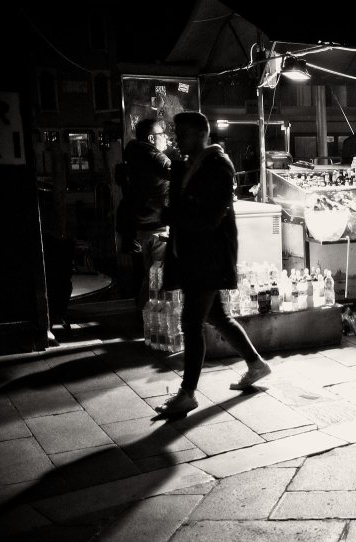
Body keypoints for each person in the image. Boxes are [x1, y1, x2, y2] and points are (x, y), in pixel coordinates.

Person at [156, 112, 271, 416]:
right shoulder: (188, 165)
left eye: (182, 134)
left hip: (209, 256)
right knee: (217, 316)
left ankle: (187, 393)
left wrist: (174, 216)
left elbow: (209, 217)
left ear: (200, 135)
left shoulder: (218, 166)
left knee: (191, 323)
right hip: (194, 254)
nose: (177, 139)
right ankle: (256, 364)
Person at [116, 118, 172, 309]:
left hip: (136, 226)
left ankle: (143, 314)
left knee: (146, 274)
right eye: (161, 134)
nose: (165, 138)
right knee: (156, 275)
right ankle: (146, 317)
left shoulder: (132, 153)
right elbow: (180, 176)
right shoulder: (156, 158)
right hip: (155, 225)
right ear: (151, 137)